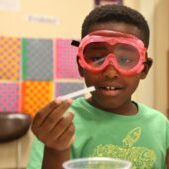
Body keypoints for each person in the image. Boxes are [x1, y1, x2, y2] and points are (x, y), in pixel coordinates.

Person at [27, 4, 169, 169]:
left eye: (125, 60)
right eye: (96, 58)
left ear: (144, 68)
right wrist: (55, 149)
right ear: (81, 66)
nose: (110, 73)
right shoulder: (61, 124)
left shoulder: (161, 125)